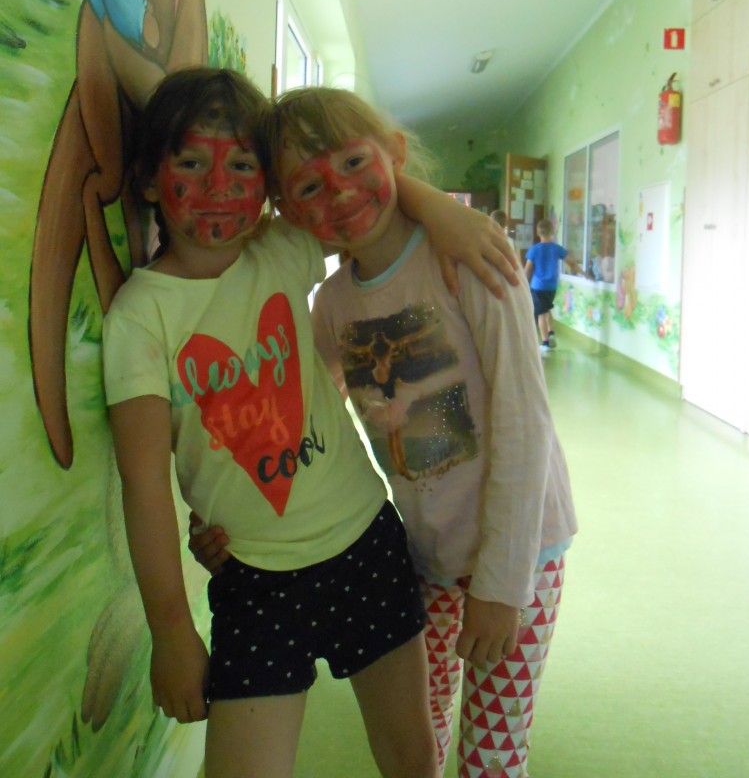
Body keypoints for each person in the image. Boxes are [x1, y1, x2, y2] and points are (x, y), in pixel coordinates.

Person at [102, 67, 520, 778]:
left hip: (365, 546)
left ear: (266, 186)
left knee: (412, 757)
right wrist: (170, 628)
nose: (219, 185)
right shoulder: (141, 316)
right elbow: (142, 484)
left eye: (242, 166)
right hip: (253, 578)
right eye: (192, 163)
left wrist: (443, 210)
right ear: (148, 179)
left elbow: (365, 200)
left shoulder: (280, 250)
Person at [192, 86, 577, 778]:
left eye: (353, 163)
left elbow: (526, 429)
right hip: (424, 559)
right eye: (311, 185)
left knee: (492, 754)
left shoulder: (470, 261)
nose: (340, 192)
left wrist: (501, 585)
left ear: (394, 153)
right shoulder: (333, 305)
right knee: (424, 734)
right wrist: (228, 508)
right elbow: (291, 415)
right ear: (289, 211)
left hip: (522, 555)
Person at [525, 218, 586, 352]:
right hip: (552, 287)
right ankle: (551, 332)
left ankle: (545, 342)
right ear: (552, 232)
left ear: (538, 233)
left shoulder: (534, 250)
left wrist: (523, 284)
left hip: (537, 287)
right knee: (546, 309)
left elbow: (528, 269)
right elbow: (572, 263)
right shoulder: (557, 249)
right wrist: (584, 273)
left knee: (541, 314)